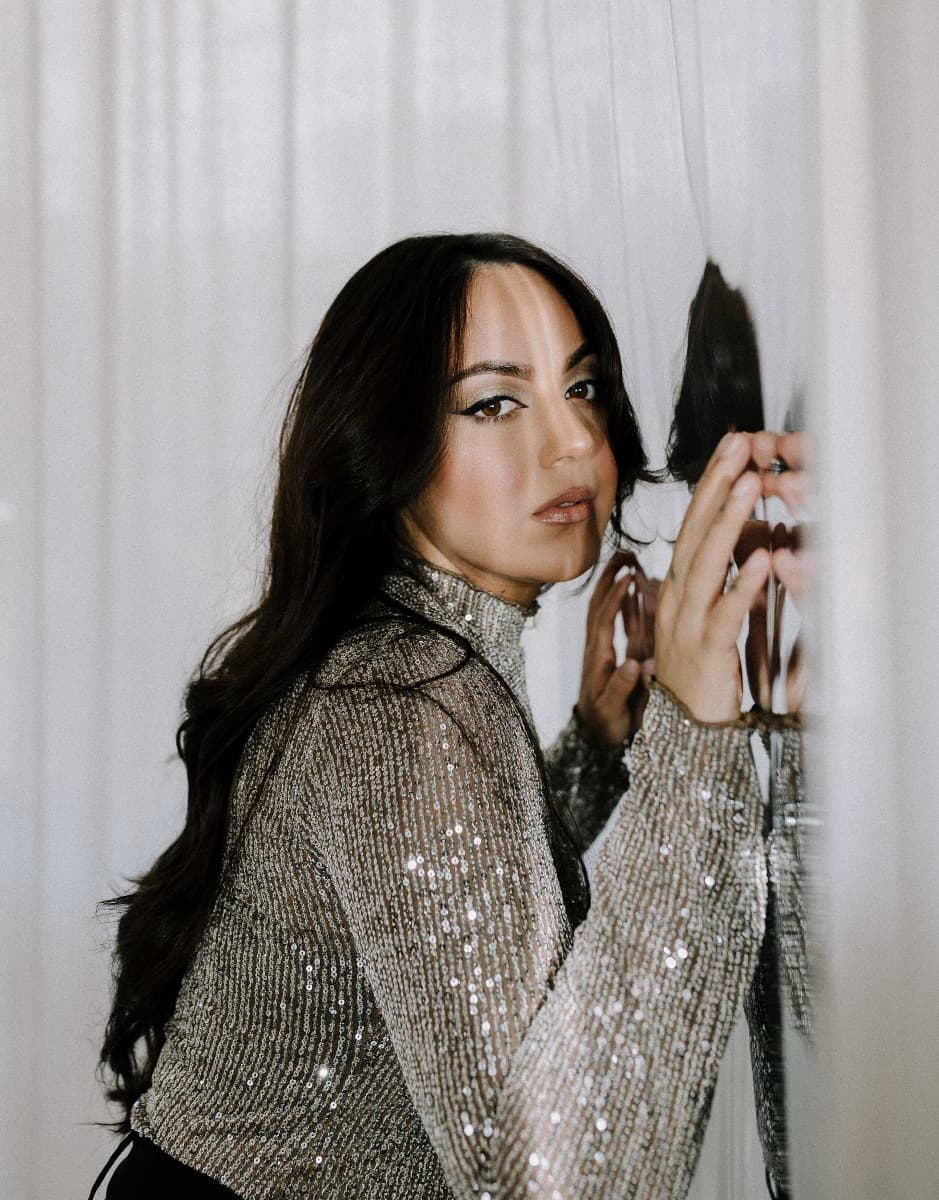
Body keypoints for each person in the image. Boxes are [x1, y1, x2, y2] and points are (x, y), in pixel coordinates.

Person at [89, 232, 793, 1200]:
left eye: (581, 388)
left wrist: (593, 747)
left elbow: (447, 903)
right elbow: (560, 1184)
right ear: (391, 445)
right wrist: (695, 729)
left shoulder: (396, 658)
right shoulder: (399, 702)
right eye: (496, 403)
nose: (576, 445)